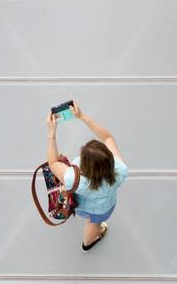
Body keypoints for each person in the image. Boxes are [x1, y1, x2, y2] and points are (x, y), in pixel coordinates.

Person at [46, 102, 128, 251]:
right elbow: (108, 138)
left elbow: (52, 163)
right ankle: (88, 242)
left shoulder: (72, 178)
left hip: (79, 207)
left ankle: (88, 237)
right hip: (103, 208)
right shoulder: (121, 170)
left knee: (88, 218)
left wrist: (52, 133)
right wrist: (82, 117)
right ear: (109, 159)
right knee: (93, 224)